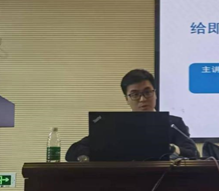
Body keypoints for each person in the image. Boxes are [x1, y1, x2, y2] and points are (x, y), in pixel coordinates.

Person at [65, 69, 199, 161]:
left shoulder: (173, 123)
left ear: (155, 94)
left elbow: (193, 153)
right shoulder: (115, 125)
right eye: (135, 94)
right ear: (126, 99)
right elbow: (73, 152)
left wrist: (171, 149)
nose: (142, 99)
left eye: (147, 92)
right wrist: (86, 158)